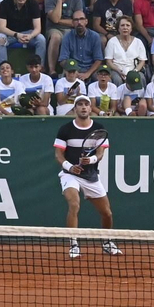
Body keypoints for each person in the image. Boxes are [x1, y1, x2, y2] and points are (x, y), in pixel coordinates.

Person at [55, 95, 121, 259]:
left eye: (86, 104)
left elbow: (100, 154)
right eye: (80, 105)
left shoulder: (98, 127)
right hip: (70, 174)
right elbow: (59, 155)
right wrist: (70, 167)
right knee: (74, 204)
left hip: (90, 175)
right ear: (75, 108)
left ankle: (106, 242)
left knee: (107, 213)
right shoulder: (65, 129)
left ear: (90, 108)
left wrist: (90, 159)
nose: (83, 107)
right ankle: (74, 244)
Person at [0, 0, 44, 70]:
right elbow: (1, 28)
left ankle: (38, 69)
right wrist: (17, 35)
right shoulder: (5, 4)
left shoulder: (33, 4)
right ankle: (2, 70)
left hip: (28, 34)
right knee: (0, 38)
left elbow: (38, 28)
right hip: (11, 34)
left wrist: (31, 36)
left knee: (41, 39)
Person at [44, 0, 88, 73]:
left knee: (75, 35)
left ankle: (74, 69)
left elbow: (78, 22)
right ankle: (52, 71)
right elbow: (55, 19)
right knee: (56, 37)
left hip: (72, 30)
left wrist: (58, 20)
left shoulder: (77, 0)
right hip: (54, 29)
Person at [57, 8, 105, 81]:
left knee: (101, 79)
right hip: (72, 69)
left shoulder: (95, 36)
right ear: (72, 23)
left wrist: (88, 73)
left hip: (90, 69)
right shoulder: (67, 36)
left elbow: (98, 59)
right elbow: (63, 60)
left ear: (86, 21)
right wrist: (73, 71)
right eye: (76, 20)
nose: (79, 22)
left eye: (81, 19)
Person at [104, 18, 147, 84]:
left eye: (128, 25)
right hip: (116, 71)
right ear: (118, 28)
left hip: (133, 70)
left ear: (131, 28)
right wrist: (119, 71)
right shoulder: (112, 41)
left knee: (141, 77)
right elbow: (108, 62)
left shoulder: (138, 42)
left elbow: (142, 61)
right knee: (116, 79)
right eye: (122, 25)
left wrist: (134, 71)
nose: (125, 27)